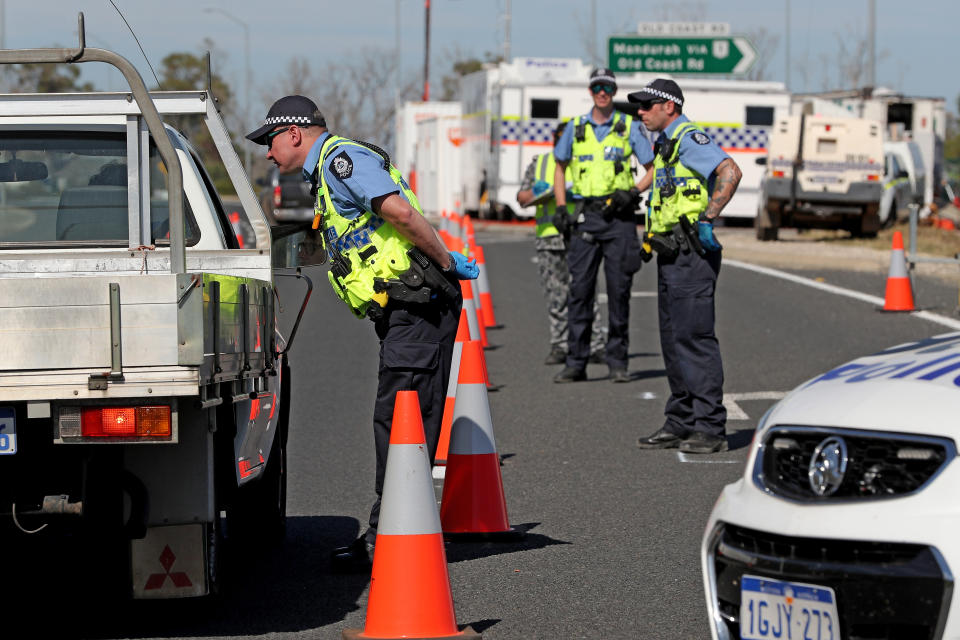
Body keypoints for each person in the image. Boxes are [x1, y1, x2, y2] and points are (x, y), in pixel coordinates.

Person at [247, 96, 478, 569]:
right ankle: (393, 529)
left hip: (418, 303)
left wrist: (445, 260)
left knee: (400, 419)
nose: (269, 153)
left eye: (270, 141)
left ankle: (392, 537)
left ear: (294, 133)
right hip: (403, 308)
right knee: (399, 418)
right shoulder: (326, 177)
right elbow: (338, 244)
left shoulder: (340, 162)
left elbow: (401, 214)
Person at [628, 79, 742, 454]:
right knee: (673, 339)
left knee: (694, 339)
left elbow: (730, 171)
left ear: (669, 107)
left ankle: (710, 427)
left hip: (692, 252)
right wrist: (649, 241)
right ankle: (681, 420)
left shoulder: (689, 139)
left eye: (647, 106)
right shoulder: (665, 145)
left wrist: (709, 217)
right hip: (671, 254)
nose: (640, 112)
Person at [552, 68, 654, 384]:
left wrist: (634, 191)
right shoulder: (575, 127)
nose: (603, 92)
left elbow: (653, 168)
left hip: (619, 218)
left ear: (614, 90)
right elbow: (560, 167)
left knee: (619, 291)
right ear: (590, 90)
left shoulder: (630, 127)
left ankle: (618, 362)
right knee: (579, 291)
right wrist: (560, 207)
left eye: (608, 87)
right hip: (586, 215)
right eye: (598, 87)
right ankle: (576, 362)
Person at [516, 122, 607, 366]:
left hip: (580, 235)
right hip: (549, 237)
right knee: (556, 295)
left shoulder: (585, 161)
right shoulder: (541, 162)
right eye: (559, 137)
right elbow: (521, 197)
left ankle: (596, 345)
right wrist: (538, 193)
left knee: (586, 291)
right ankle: (560, 345)